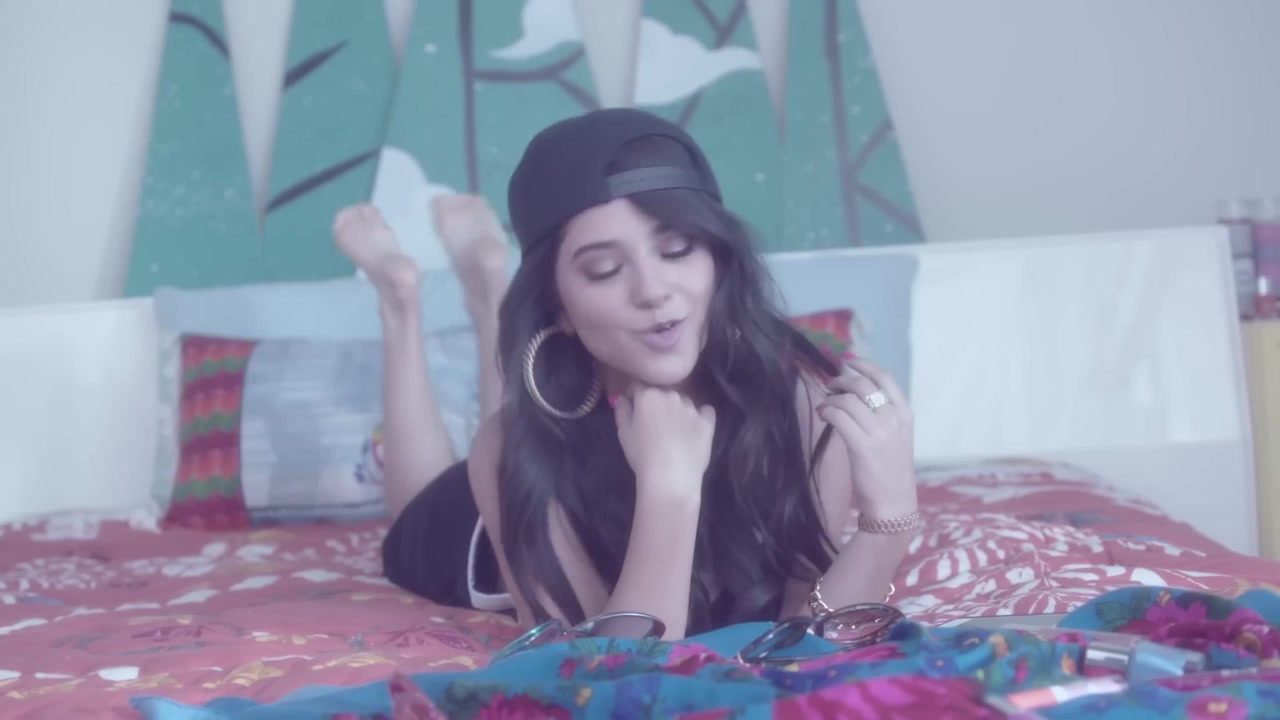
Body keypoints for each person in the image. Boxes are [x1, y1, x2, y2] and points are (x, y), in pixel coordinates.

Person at [341, 108, 920, 640]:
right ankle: (400, 300)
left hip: (548, 436)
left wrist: (890, 519)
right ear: (559, 306)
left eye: (677, 249)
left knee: (518, 418)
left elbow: (810, 636)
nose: (653, 290)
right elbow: (610, 676)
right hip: (477, 523)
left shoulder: (799, 403)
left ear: (719, 260)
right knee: (450, 471)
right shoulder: (508, 451)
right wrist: (669, 490)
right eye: (604, 269)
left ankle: (484, 282)